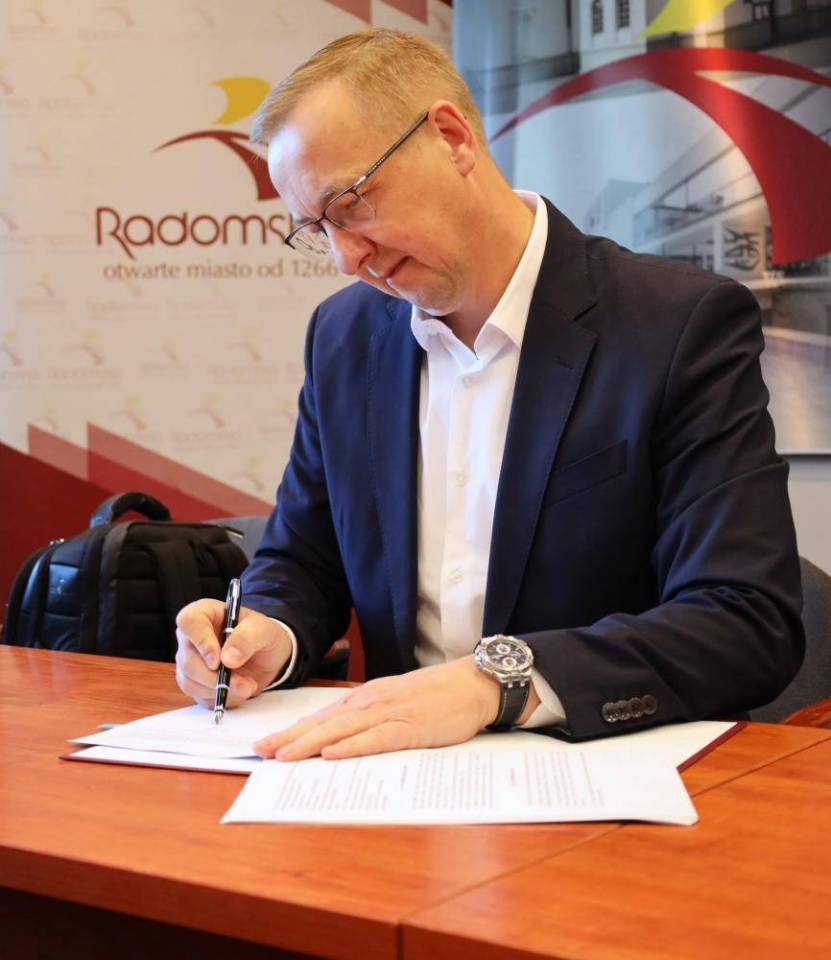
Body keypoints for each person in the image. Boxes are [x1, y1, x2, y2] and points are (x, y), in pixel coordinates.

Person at [175, 28, 803, 762]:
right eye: (317, 229)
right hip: (389, 778)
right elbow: (303, 560)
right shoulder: (344, 337)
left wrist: (495, 685)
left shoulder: (675, 325)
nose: (345, 257)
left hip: (603, 774)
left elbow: (744, 620)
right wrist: (265, 634)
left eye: (350, 204)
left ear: (450, 138)